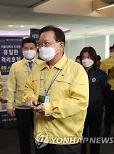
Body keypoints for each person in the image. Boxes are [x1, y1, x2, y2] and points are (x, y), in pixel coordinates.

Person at [23, 25, 89, 154]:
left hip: (64, 138)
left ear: (61, 45)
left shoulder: (76, 70)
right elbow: (28, 88)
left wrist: (49, 108)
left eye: (46, 43)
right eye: (40, 44)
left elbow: (79, 101)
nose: (41, 48)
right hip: (41, 135)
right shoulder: (37, 68)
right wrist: (29, 96)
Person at [6, 37, 43, 154]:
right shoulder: (15, 66)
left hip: (39, 107)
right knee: (24, 137)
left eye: (31, 48)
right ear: (22, 49)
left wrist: (43, 102)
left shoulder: (43, 65)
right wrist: (9, 105)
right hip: (22, 107)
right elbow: (11, 87)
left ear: (36, 48)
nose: (29, 50)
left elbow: (45, 87)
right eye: (26, 48)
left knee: (40, 138)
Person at [79, 47, 110, 154]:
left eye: (88, 57)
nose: (85, 60)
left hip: (95, 110)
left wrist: (100, 104)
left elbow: (106, 91)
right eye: (83, 57)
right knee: (81, 136)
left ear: (93, 58)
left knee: (95, 136)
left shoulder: (100, 74)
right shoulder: (78, 72)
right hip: (80, 110)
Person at [100, 44, 114, 137]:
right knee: (108, 112)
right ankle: (106, 132)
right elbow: (102, 75)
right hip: (110, 89)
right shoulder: (105, 62)